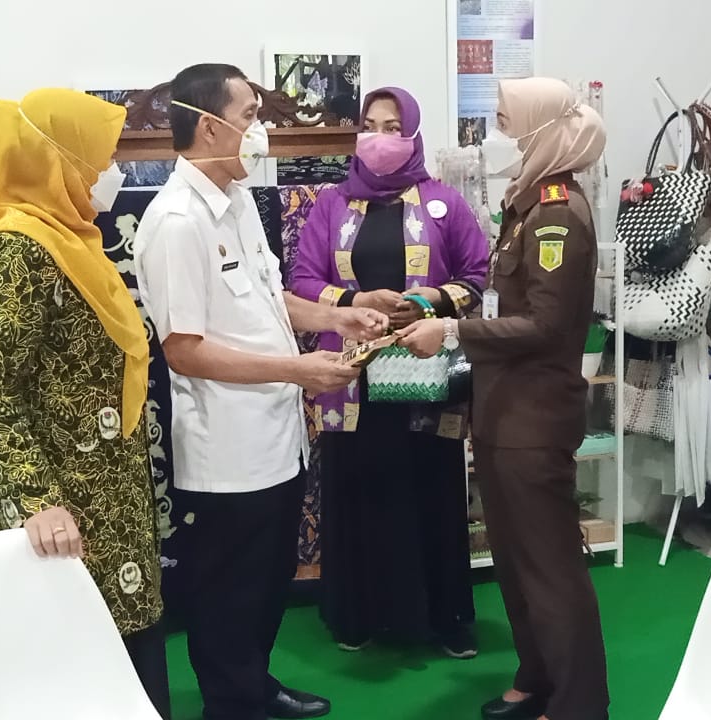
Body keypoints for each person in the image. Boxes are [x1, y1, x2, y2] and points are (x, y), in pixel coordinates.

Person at [133, 63, 388, 720]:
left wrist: (337, 316)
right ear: (209, 126)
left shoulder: (239, 200)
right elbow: (183, 350)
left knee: (269, 581)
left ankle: (254, 685)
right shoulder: (177, 222)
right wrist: (298, 371)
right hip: (225, 450)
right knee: (229, 592)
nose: (260, 130)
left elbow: (271, 297)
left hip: (276, 437)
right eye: (249, 116)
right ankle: (231, 703)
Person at [0, 88, 170, 718]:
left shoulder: (71, 241)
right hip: (59, 506)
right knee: (69, 659)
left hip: (104, 493)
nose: (111, 174)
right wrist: (39, 501)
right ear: (57, 160)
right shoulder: (17, 250)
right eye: (100, 159)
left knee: (122, 653)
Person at [399, 77, 611, 720]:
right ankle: (537, 676)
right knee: (516, 563)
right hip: (502, 410)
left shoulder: (557, 214)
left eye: (504, 120)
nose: (497, 134)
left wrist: (452, 332)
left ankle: (577, 705)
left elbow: (546, 326)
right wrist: (444, 307)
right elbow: (505, 302)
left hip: (534, 419)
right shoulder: (527, 203)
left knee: (549, 567)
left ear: (543, 128)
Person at [290, 87, 488, 657]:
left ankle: (443, 618)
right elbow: (302, 280)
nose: (380, 138)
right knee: (360, 490)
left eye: (394, 127)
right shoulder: (331, 205)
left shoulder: (443, 201)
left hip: (424, 371)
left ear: (414, 134)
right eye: (371, 125)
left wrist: (429, 299)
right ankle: (358, 616)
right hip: (351, 377)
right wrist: (355, 301)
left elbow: (478, 275)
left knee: (430, 488)